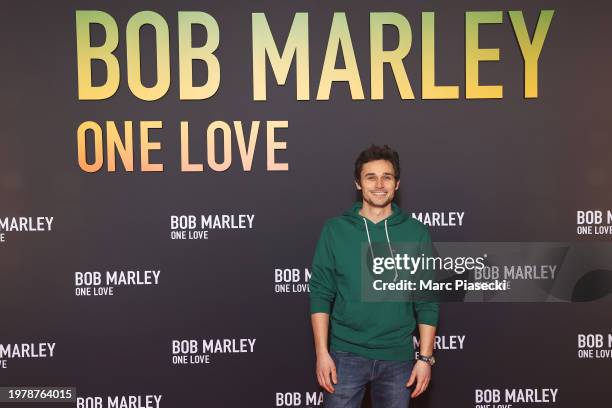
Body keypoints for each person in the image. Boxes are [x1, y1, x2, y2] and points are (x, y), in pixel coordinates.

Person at [309, 144, 439, 408]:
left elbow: (427, 300)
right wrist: (322, 353)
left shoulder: (416, 233)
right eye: (371, 177)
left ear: (397, 183)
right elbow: (321, 294)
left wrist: (424, 359)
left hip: (398, 358)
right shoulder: (335, 230)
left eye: (386, 177)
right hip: (345, 355)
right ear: (358, 183)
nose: (379, 184)